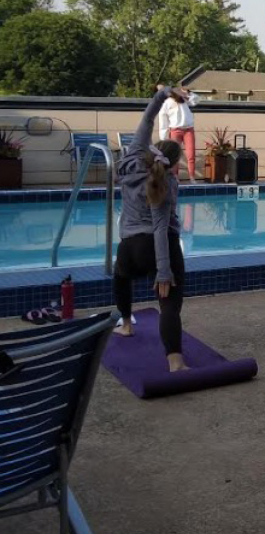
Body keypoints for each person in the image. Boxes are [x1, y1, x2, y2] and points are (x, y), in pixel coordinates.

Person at [113, 86, 188, 372]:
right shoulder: (166, 183)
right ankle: (175, 361)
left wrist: (163, 95)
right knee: (168, 304)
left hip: (129, 246)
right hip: (158, 246)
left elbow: (147, 120)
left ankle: (127, 325)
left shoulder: (132, 158)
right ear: (175, 163)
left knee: (121, 277)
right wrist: (164, 270)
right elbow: (160, 228)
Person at [157, 83, 199, 183]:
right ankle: (175, 176)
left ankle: (192, 177)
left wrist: (188, 92)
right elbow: (163, 120)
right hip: (175, 130)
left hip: (188, 129)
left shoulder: (182, 99)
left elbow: (196, 100)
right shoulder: (166, 103)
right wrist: (163, 137)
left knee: (191, 154)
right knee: (175, 154)